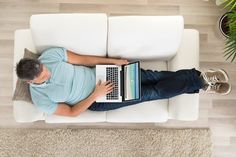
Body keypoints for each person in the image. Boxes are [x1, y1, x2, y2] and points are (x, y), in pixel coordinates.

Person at [16, 47, 231, 117]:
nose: (49, 73)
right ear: (31, 82)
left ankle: (200, 81)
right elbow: (71, 112)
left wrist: (113, 62)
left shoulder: (49, 57)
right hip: (97, 100)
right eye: (45, 77)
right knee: (152, 93)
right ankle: (200, 81)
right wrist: (96, 94)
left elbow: (83, 59)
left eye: (45, 70)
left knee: (155, 77)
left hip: (102, 73)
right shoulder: (40, 99)